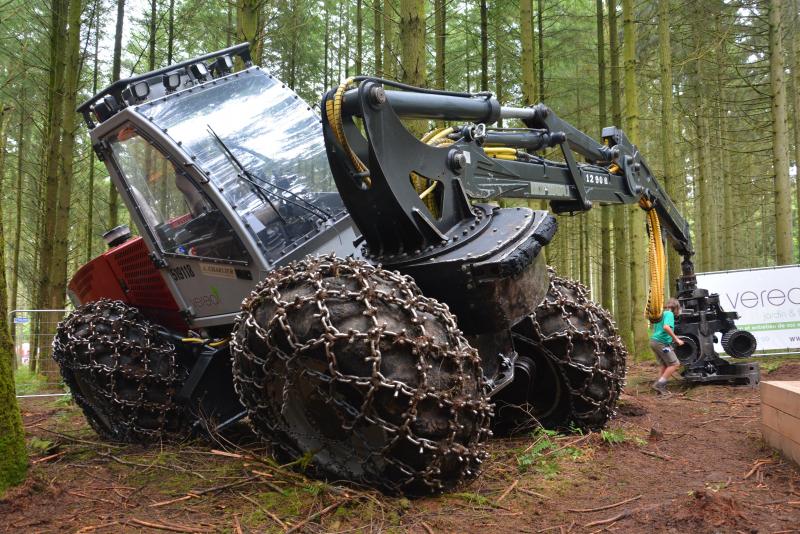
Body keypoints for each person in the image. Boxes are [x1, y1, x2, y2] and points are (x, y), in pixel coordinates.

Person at [650, 298, 685, 395]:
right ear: (676, 308)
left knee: (665, 365)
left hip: (654, 341)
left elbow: (659, 329)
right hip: (661, 343)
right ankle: (659, 385)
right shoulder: (669, 314)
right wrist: (676, 339)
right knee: (675, 364)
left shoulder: (661, 314)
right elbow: (666, 327)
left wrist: (672, 338)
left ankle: (659, 390)